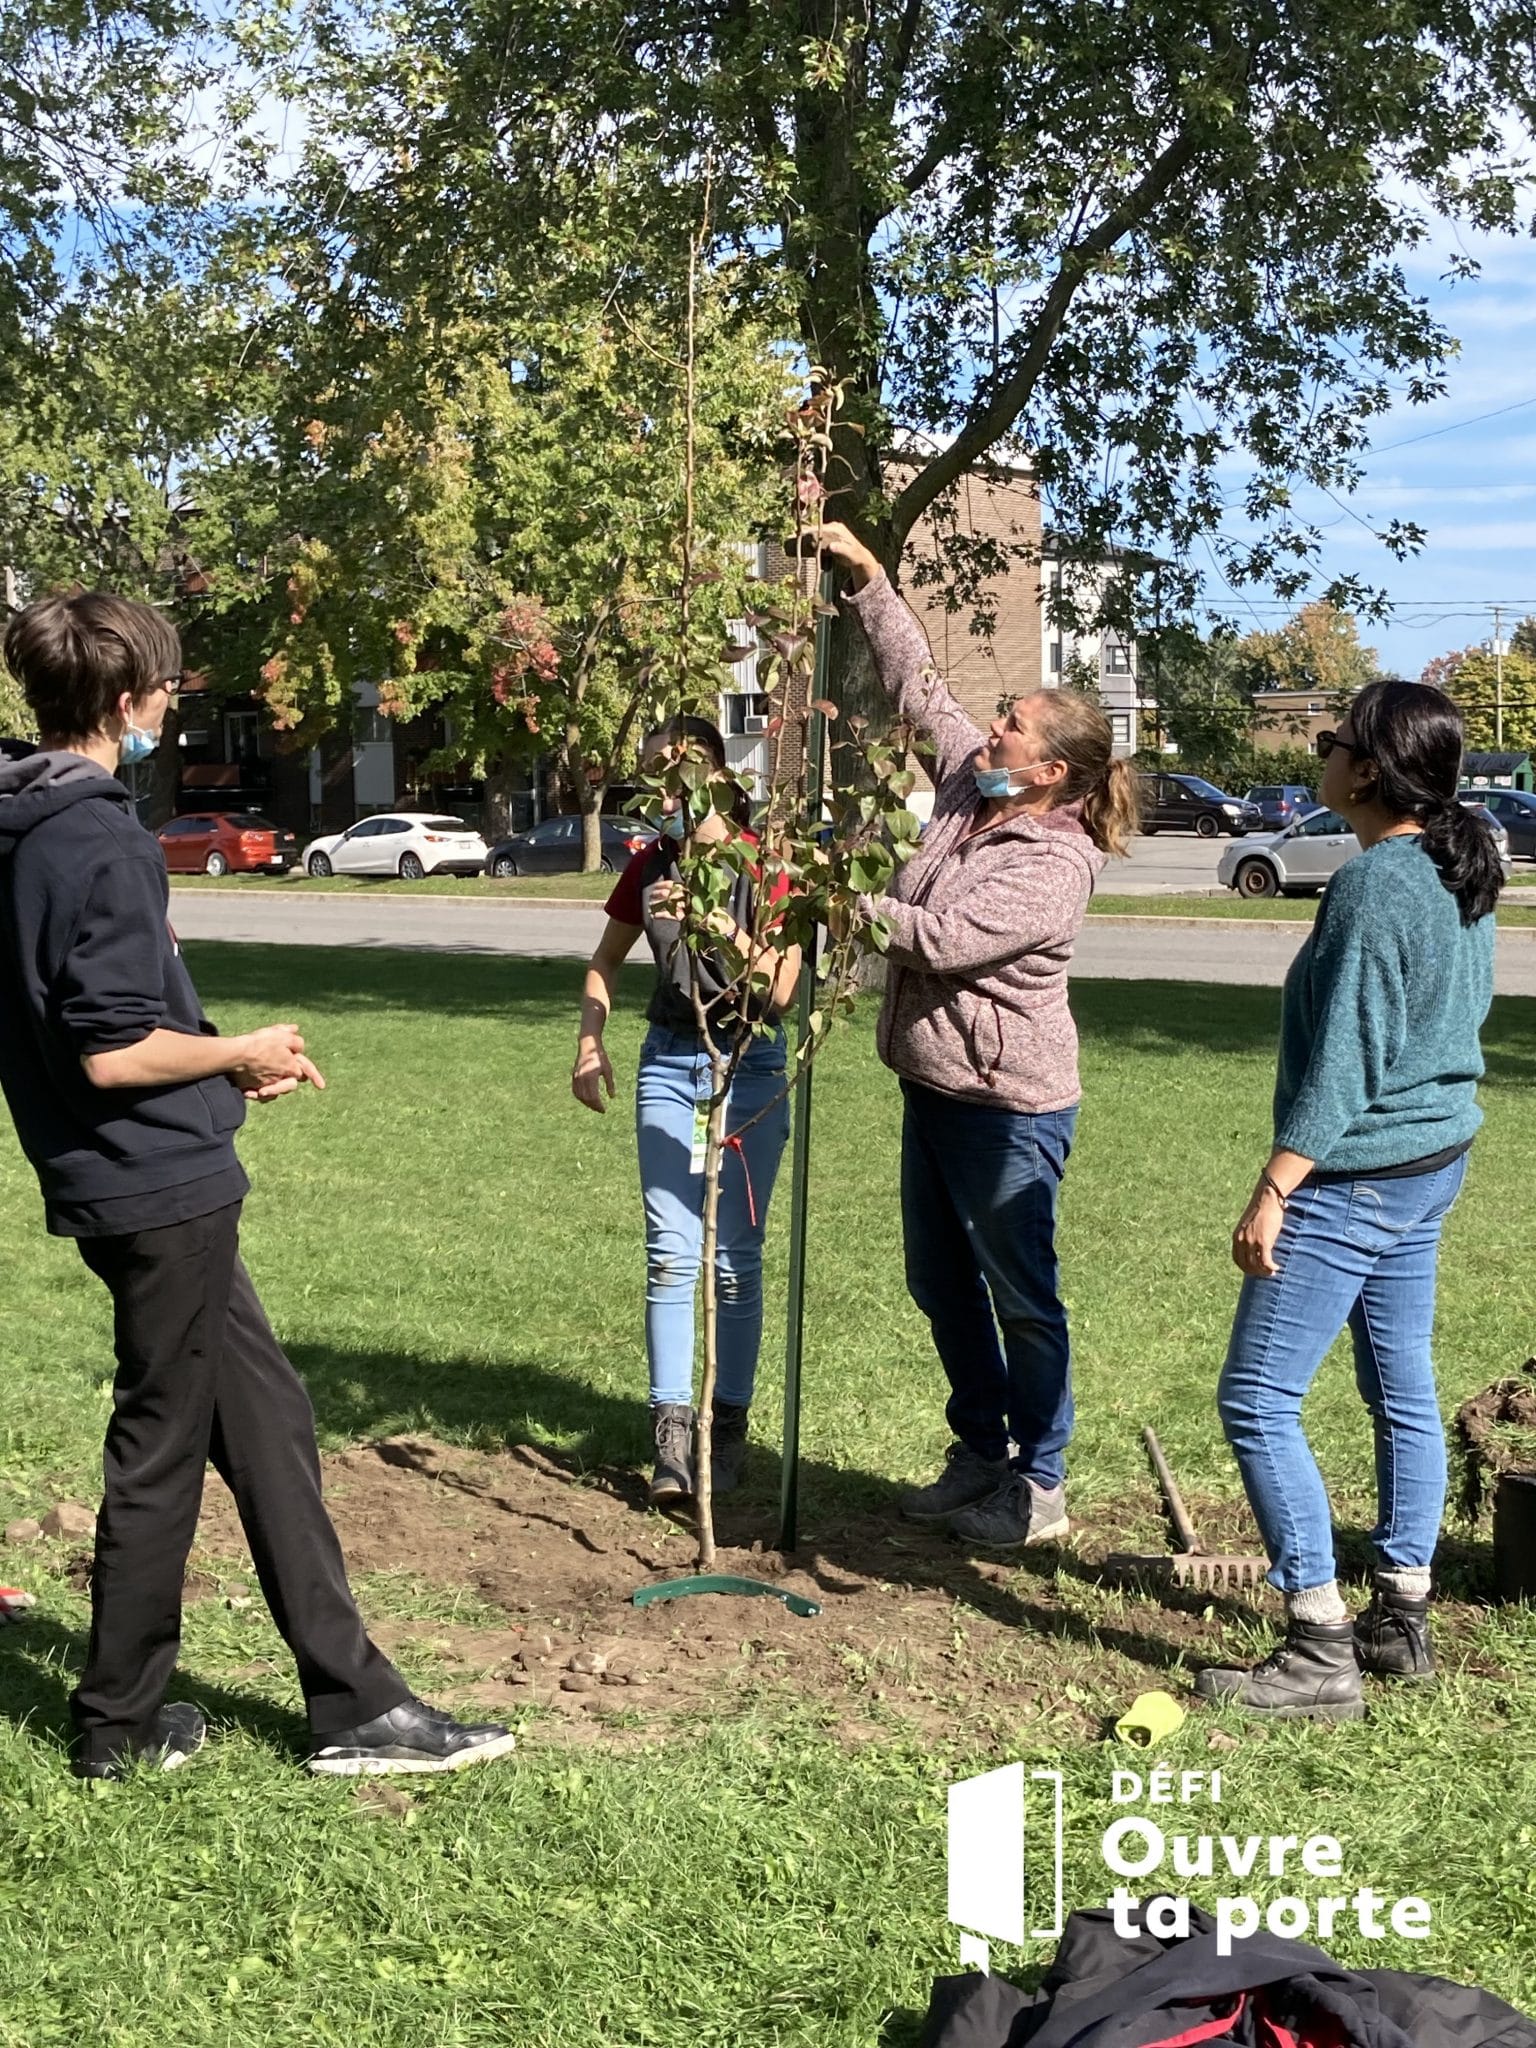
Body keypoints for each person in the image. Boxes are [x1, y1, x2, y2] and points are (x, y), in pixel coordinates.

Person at [0, 593, 515, 1779]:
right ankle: (118, 1725)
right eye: (168, 690)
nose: (170, 708)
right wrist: (238, 1051)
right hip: (154, 1185)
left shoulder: (26, 823)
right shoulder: (98, 839)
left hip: (133, 1171)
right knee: (160, 1445)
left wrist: (220, 1063)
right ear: (127, 703)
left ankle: (356, 1704)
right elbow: (113, 1048)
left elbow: (104, 1020)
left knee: (269, 1421)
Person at [818, 521, 1139, 1549]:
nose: (992, 728)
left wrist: (841, 895)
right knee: (938, 1278)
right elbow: (924, 691)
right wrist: (871, 581)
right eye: (1000, 717)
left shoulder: (1055, 861)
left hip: (1008, 1112)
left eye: (1012, 725)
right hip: (934, 1086)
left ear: (1048, 771)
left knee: (1022, 1297)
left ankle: (1038, 1483)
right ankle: (979, 1449)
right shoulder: (971, 788)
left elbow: (944, 938)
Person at [1196, 682, 1502, 1721]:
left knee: (1256, 1397)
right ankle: (1401, 1612)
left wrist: (1275, 1185)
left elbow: (1349, 1059)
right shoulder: (1461, 863)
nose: (1319, 755)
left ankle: (1319, 1640)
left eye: (1330, 743)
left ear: (1367, 770)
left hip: (1363, 1174)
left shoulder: (1378, 882)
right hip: (1434, 1158)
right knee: (1400, 1384)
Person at [572, 716, 799, 1503]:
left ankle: (724, 1428)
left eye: (666, 781)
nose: (655, 799)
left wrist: (717, 924)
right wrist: (588, 1042)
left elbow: (782, 988)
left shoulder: (768, 864)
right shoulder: (649, 865)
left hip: (750, 1063)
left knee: (734, 1263)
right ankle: (671, 1437)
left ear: (706, 776)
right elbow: (604, 962)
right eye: (647, 783)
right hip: (670, 1062)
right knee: (670, 1253)